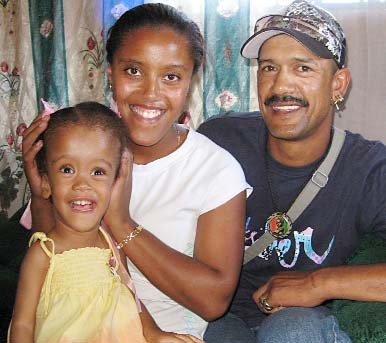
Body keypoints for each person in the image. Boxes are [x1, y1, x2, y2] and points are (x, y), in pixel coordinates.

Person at [20, 3, 250, 340]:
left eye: (171, 77)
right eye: (133, 71)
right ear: (110, 73)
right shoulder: (77, 146)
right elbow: (53, 261)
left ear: (190, 83)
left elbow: (213, 300)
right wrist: (41, 189)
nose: (150, 93)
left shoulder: (216, 170)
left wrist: (121, 222)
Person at [198, 1, 386, 342]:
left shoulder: (369, 169)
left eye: (303, 68)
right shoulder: (220, 140)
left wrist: (319, 283)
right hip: (220, 315)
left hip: (302, 322)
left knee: (293, 330)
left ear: (338, 85)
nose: (280, 85)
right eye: (269, 67)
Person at [9, 102, 206, 343]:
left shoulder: (110, 243)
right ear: (46, 182)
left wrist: (156, 335)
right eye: (67, 169)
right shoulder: (43, 253)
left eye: (99, 172)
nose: (83, 184)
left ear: (116, 182)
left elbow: (130, 298)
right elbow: (22, 324)